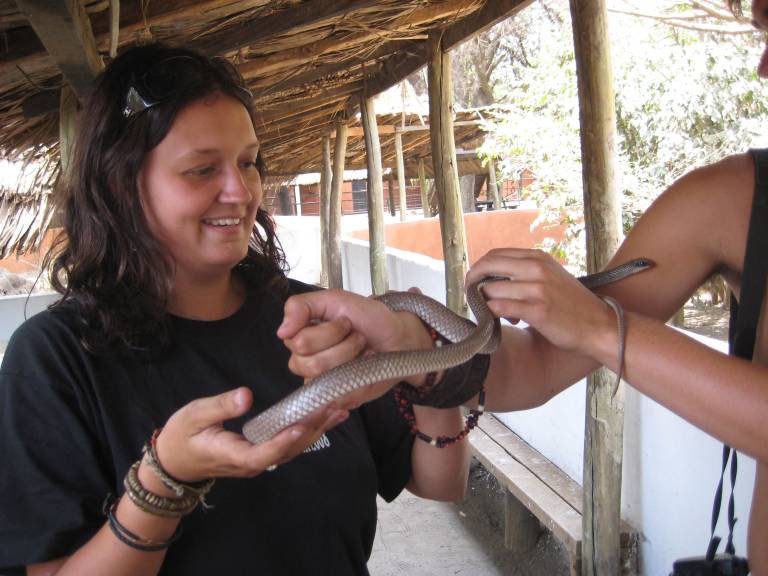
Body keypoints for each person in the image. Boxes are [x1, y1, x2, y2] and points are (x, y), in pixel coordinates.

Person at [280, 0, 768, 573]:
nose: (761, 67)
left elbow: (588, 329)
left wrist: (596, 325)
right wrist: (410, 341)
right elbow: (531, 368)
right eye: (762, 32)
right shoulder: (728, 201)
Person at [0, 43, 471, 576]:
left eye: (247, 162)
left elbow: (439, 481)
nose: (240, 191)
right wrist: (163, 481)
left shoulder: (312, 317)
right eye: (202, 170)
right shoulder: (55, 358)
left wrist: (426, 363)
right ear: (121, 186)